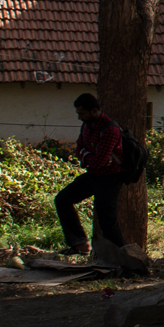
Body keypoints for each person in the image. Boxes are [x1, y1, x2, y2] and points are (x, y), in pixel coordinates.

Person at [56, 93, 124, 257]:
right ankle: (80, 244)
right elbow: (79, 149)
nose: (80, 118)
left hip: (110, 179)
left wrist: (88, 156)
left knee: (107, 221)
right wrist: (87, 156)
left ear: (94, 111)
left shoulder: (110, 130)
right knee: (62, 199)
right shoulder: (87, 125)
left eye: (82, 113)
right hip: (94, 175)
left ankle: (122, 257)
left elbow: (99, 161)